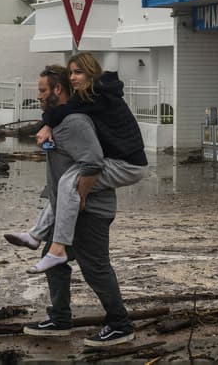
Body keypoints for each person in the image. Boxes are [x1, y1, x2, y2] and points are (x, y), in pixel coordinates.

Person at [21, 64, 135, 347]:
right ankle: (59, 320)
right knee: (54, 261)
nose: (38, 96)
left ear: (57, 90)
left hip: (90, 210)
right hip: (71, 210)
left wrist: (81, 197)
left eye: (42, 90)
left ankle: (120, 325)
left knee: (95, 267)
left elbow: (93, 163)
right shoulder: (61, 119)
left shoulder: (75, 122)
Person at [5, 52, 148, 274]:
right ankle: (36, 236)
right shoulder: (91, 94)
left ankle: (57, 249)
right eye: (71, 72)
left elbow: (63, 112)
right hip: (117, 159)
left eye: (78, 72)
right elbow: (61, 112)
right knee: (65, 184)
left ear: (91, 73)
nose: (73, 77)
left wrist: (46, 125)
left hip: (129, 165)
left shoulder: (98, 95)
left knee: (68, 185)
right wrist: (48, 125)